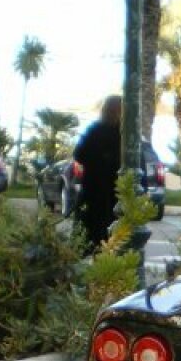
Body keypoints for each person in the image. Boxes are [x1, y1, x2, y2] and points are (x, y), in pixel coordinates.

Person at [72, 94, 123, 250]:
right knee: (110, 240)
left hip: (97, 191)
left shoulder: (95, 131)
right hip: (109, 192)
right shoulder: (122, 134)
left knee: (92, 238)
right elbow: (79, 154)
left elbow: (79, 154)